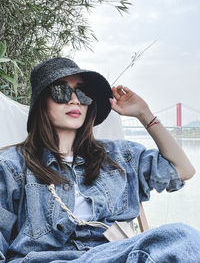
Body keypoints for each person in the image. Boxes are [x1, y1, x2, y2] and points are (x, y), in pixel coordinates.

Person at [0, 57, 200, 263]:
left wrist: (144, 113)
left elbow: (182, 169)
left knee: (181, 237)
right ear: (41, 102)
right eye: (61, 91)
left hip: (114, 255)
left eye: (83, 93)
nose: (75, 100)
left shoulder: (118, 156)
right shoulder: (11, 165)